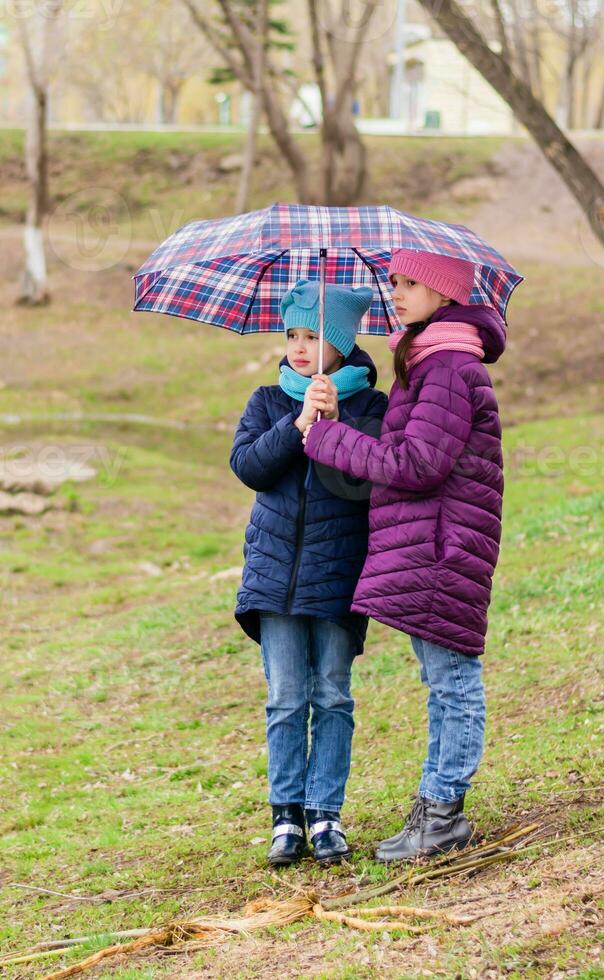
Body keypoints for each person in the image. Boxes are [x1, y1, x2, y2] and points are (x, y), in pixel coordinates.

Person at [300, 249, 509, 862]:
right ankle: (434, 805)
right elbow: (404, 454)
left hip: (443, 545)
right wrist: (338, 421)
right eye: (393, 281)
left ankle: (443, 811)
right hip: (431, 543)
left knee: (452, 681)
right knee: (440, 680)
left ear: (443, 292)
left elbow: (417, 466)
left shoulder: (446, 367)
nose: (395, 292)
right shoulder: (427, 362)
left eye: (409, 282)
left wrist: (329, 439)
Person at [230, 279, 387, 866]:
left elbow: (363, 483)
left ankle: (325, 814)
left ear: (342, 342)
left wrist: (333, 426)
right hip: (274, 579)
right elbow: (249, 467)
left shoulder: (373, 407)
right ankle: (286, 817)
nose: (298, 347)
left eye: (314, 335)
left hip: (340, 576)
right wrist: (298, 424)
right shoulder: (268, 401)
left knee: (333, 696)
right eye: (292, 334)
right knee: (287, 699)